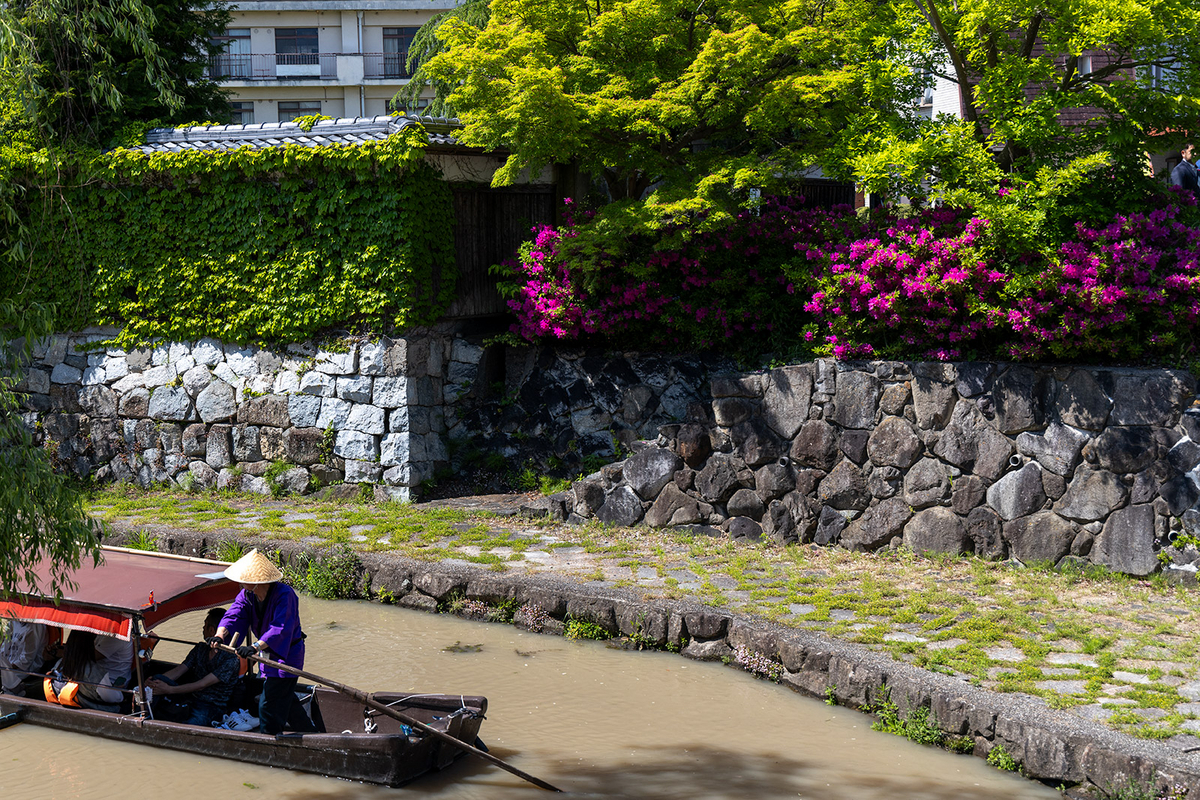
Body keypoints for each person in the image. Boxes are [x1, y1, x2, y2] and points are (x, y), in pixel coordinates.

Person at [210, 549, 315, 735]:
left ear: (255, 582)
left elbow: (280, 628)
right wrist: (219, 635)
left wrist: (254, 647)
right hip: (267, 653)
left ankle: (269, 740)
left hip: (286, 655)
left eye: (243, 579)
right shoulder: (247, 595)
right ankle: (313, 735)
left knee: (268, 706)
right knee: (285, 698)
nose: (240, 582)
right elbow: (233, 615)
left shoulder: (285, 594)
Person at [146, 608, 240, 727]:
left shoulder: (230, 659)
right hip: (191, 697)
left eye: (204, 626)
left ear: (211, 630)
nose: (202, 630)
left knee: (190, 725)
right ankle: (145, 717)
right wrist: (152, 682)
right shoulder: (200, 648)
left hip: (211, 706)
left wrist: (169, 690)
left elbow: (202, 684)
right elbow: (179, 670)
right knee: (158, 679)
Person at [46, 630, 129, 711]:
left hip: (66, 704)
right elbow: (116, 698)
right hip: (91, 708)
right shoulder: (95, 673)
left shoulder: (60, 664)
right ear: (91, 646)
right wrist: (117, 689)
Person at [0, 619, 48, 694]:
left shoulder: (36, 626)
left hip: (26, 670)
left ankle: (14, 687)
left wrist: (7, 668)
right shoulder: (13, 622)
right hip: (9, 667)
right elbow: (4, 649)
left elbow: (26, 660)